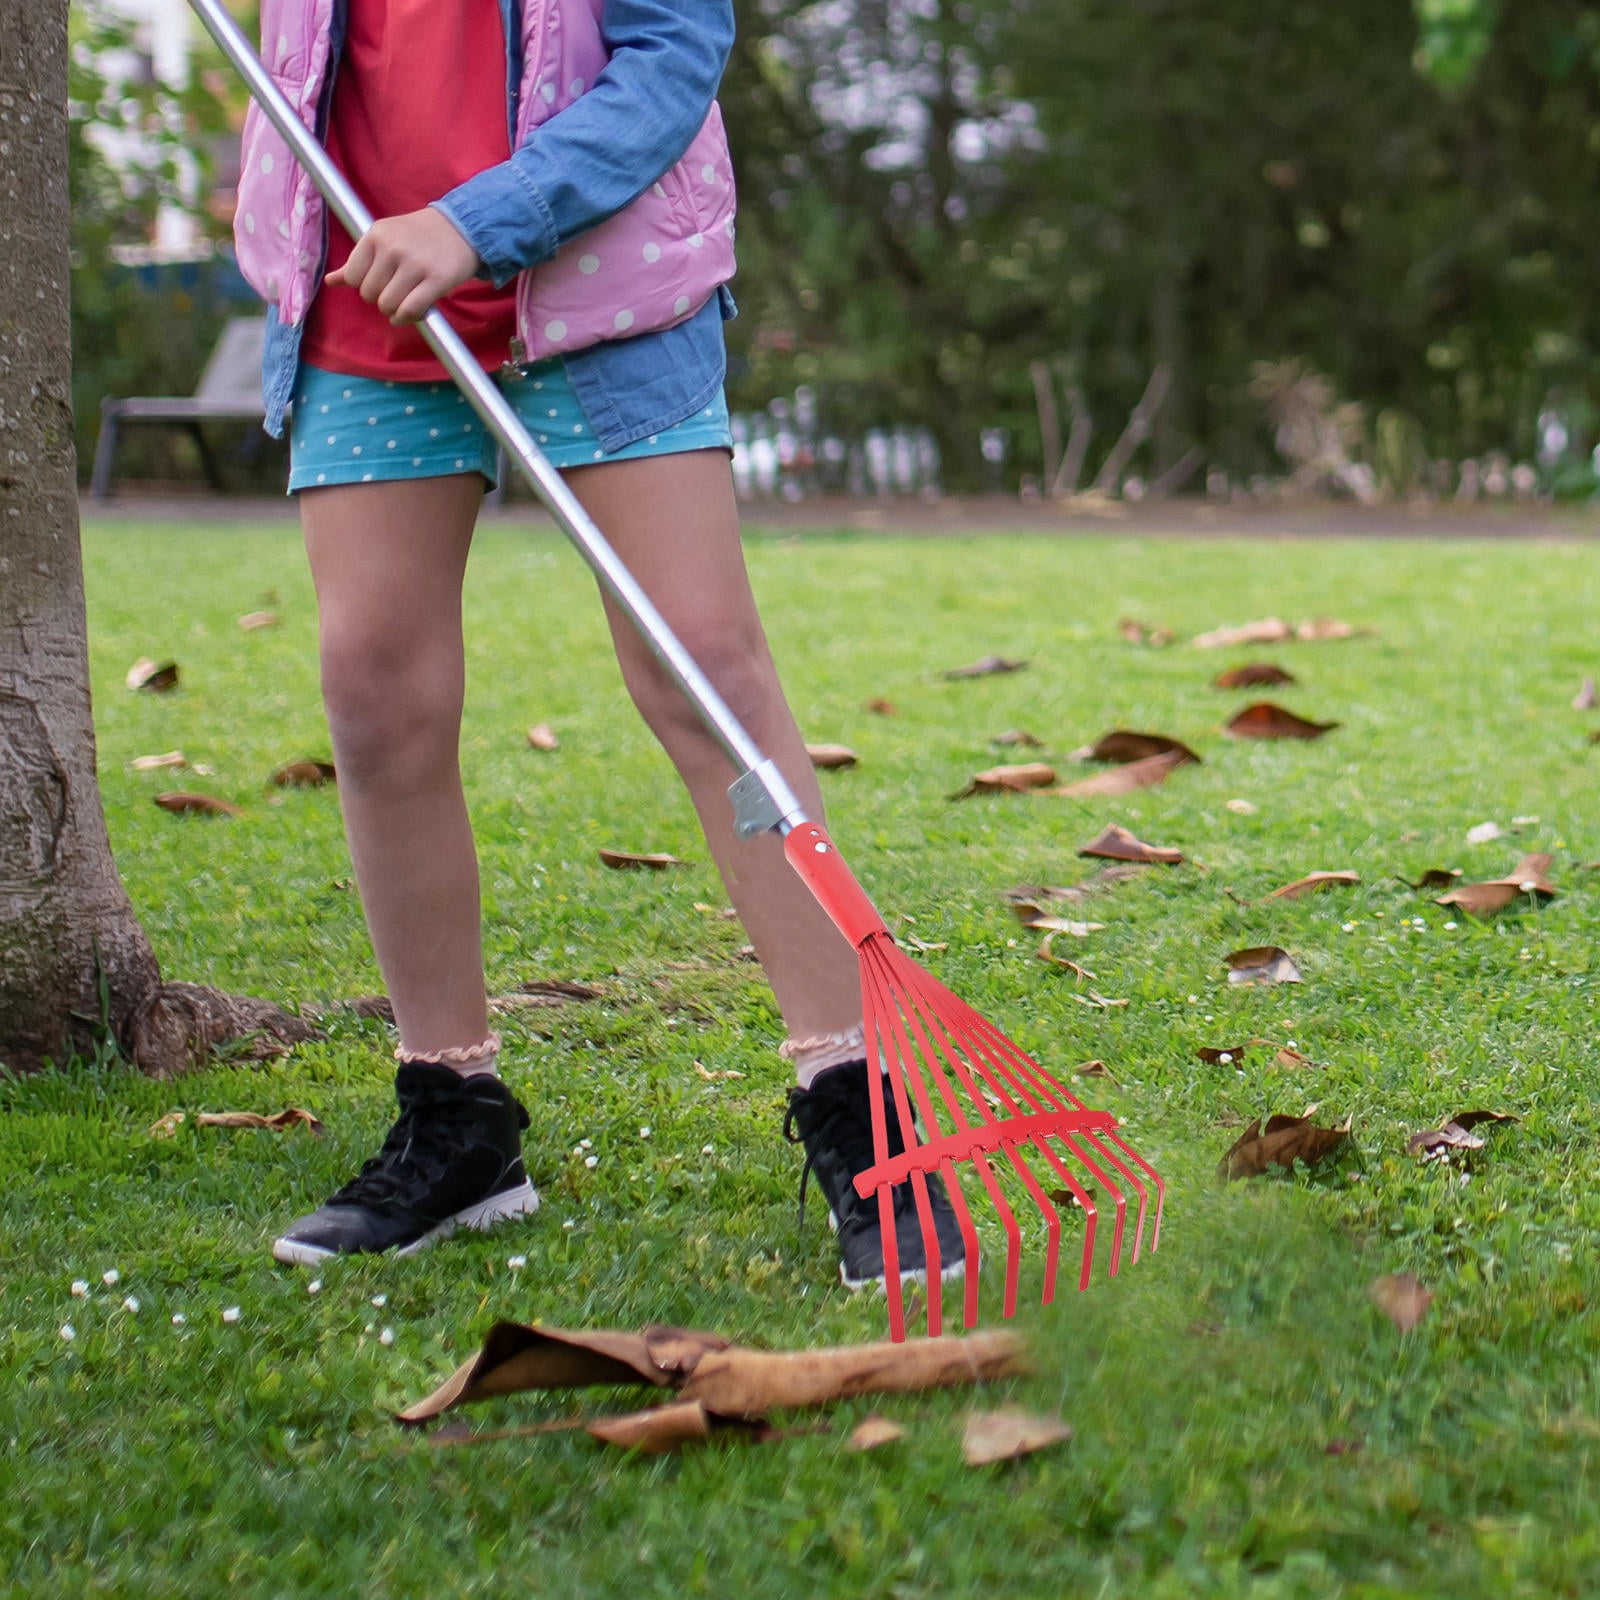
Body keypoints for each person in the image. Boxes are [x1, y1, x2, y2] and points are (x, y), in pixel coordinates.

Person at [231, 0, 963, 1288]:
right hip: (367, 284)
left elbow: (672, 55)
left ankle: (862, 1103)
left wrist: (479, 221)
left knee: (701, 673)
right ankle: (457, 1119)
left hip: (600, 285)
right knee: (377, 694)